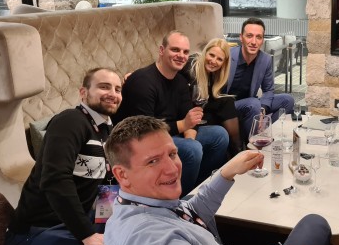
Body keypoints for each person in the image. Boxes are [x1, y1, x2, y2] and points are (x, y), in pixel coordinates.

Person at [104, 115, 332, 245]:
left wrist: (225, 174)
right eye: (153, 161)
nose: (173, 169)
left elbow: (188, 213)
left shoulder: (135, 206)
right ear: (122, 175)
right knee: (316, 224)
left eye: (172, 154)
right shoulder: (147, 239)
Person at [3, 67, 123, 245]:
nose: (112, 94)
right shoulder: (70, 121)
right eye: (104, 86)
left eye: (117, 89)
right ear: (83, 92)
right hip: (32, 239)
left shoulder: (105, 130)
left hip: (65, 231)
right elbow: (55, 179)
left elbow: (106, 184)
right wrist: (87, 234)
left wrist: (109, 226)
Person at [113, 31, 229, 197]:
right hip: (138, 141)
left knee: (219, 135)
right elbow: (146, 133)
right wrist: (184, 127)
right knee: (193, 150)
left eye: (185, 52)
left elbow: (189, 117)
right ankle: (177, 201)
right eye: (175, 50)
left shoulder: (180, 81)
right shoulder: (143, 81)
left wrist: (190, 137)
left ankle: (198, 189)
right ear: (162, 50)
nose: (181, 55)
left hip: (169, 134)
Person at [227, 18, 294, 140]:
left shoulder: (265, 59)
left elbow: (268, 90)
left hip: (252, 104)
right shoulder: (228, 56)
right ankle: (253, 144)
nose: (254, 42)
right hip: (229, 106)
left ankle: (266, 135)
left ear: (262, 40)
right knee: (253, 103)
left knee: (287, 100)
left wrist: (262, 109)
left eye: (258, 37)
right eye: (249, 36)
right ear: (241, 37)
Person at [183, 38, 242, 157]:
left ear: (224, 63)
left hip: (201, 107)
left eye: (219, 59)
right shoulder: (191, 67)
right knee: (223, 116)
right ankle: (237, 152)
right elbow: (187, 101)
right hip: (186, 112)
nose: (214, 61)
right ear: (205, 52)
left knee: (228, 103)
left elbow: (211, 96)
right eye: (211, 55)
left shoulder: (213, 74)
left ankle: (237, 150)